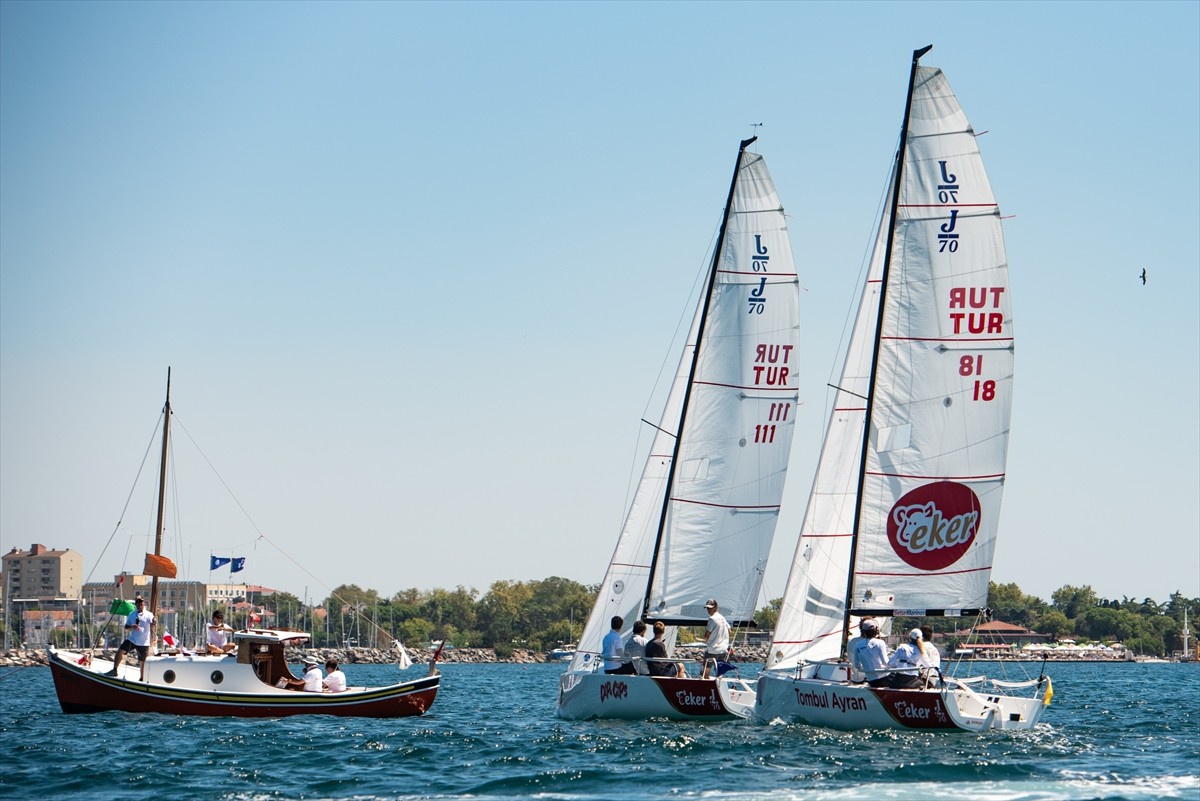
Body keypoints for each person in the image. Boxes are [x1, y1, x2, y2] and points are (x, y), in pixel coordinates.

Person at [107, 596, 155, 676]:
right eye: (137, 602)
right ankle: (114, 670)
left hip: (144, 642)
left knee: (143, 661)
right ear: (136, 604)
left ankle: (142, 678)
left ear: (143, 604)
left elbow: (153, 622)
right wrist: (132, 626)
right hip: (132, 640)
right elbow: (126, 627)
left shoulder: (149, 614)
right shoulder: (132, 614)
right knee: (120, 651)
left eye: (141, 602)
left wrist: (154, 622)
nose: (139, 604)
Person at [849, 617, 890, 688]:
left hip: (870, 680)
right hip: (883, 678)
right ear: (876, 630)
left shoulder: (857, 644)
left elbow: (857, 665)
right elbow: (886, 663)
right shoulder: (880, 642)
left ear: (862, 630)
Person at [701, 598, 730, 679]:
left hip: (713, 649)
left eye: (710, 608)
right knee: (719, 673)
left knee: (705, 672)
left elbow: (707, 635)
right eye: (707, 608)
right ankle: (719, 687)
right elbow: (730, 630)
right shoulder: (722, 618)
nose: (708, 610)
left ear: (715, 607)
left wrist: (704, 640)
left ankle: (706, 687)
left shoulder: (711, 619)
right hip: (723, 649)